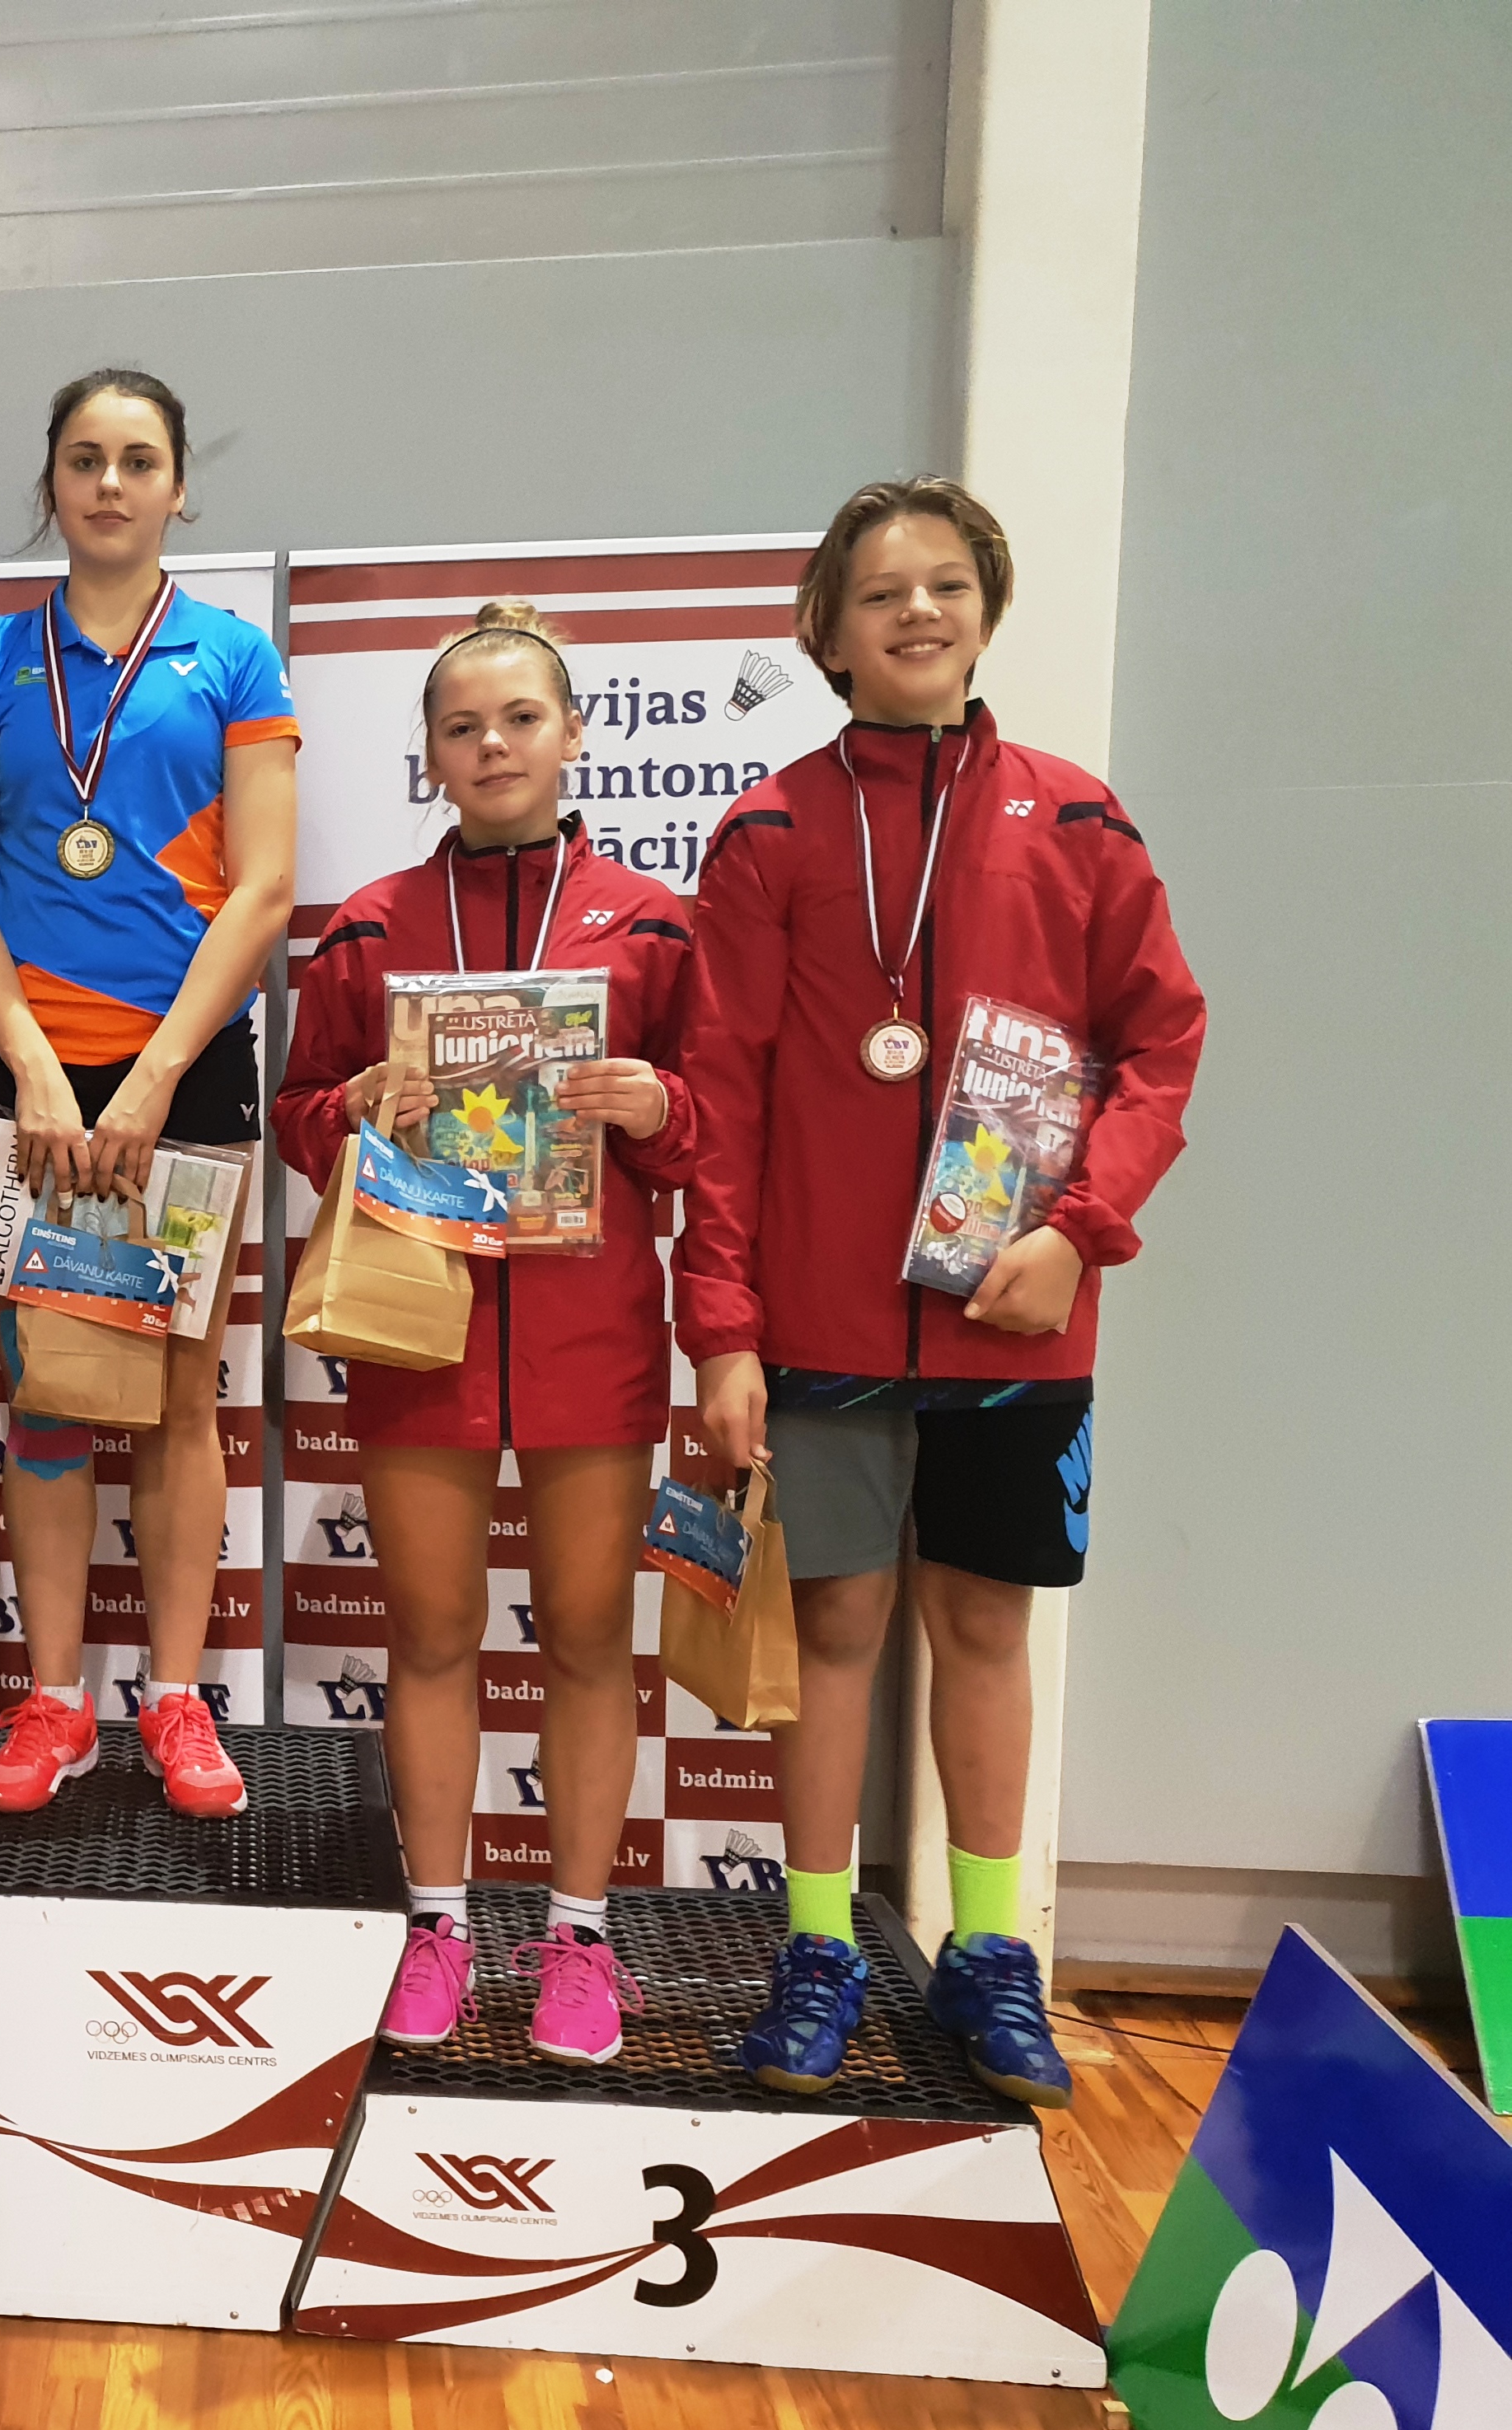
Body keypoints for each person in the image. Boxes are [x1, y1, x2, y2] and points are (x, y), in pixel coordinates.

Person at [678, 477, 1205, 2106]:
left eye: (944, 585)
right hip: (822, 1323)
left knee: (982, 1627)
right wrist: (724, 1329)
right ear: (827, 633)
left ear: (985, 609)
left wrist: (1081, 1229)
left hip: (1013, 1315)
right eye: (880, 591)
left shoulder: (1076, 818)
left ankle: (986, 1953)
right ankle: (817, 1949)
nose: (915, 610)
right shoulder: (769, 832)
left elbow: (1159, 1041)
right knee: (832, 1630)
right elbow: (719, 1094)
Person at [275, 602, 694, 2063]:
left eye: (519, 719)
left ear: (573, 735)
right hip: (420, 1329)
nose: (493, 745)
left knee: (587, 1639)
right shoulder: (371, 927)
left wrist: (658, 1105)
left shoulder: (654, 923)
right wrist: (350, 1111)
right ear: (430, 755)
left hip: (590, 1330)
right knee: (432, 1633)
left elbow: (718, 1127)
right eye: (462, 727)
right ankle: (437, 1922)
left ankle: (577, 1935)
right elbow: (296, 1114)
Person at [0, 367, 297, 1817]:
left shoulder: (234, 658)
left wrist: (148, 1078)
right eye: (82, 458)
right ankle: (55, 1700)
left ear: (177, 487)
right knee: (43, 1398)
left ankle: (177, 1698)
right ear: (52, 482)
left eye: (138, 460)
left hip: (181, 1068)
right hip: (24, 1071)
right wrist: (27, 1059)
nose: (108, 483)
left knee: (179, 1399)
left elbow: (262, 888)